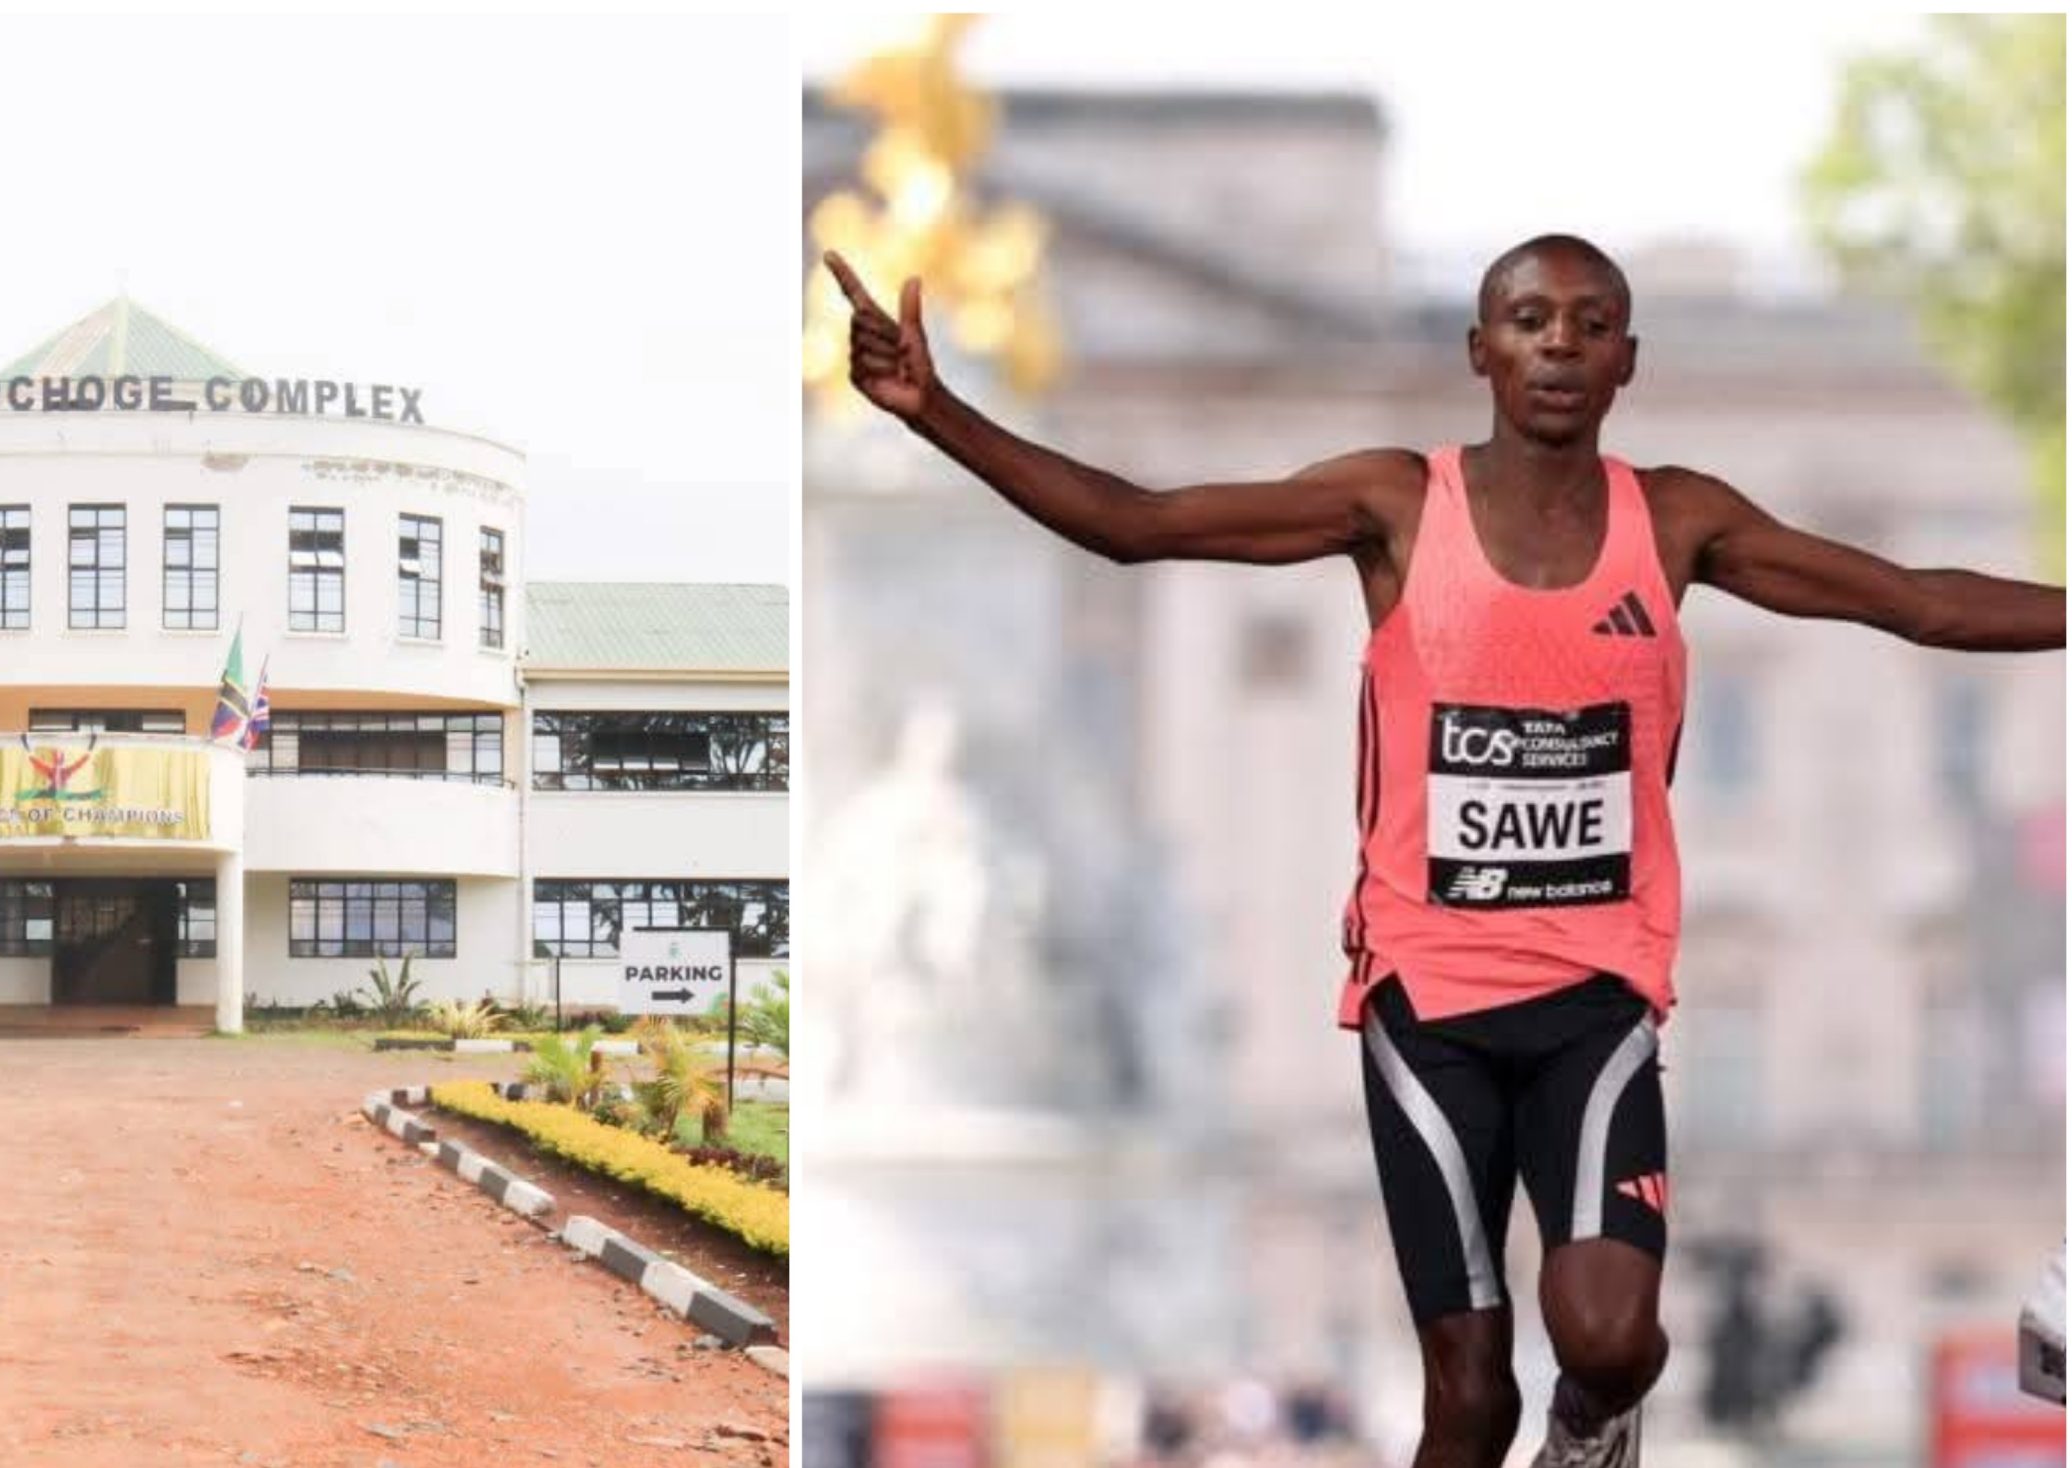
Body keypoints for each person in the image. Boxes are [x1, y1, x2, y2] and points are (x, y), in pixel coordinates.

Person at [825, 235, 2065, 1468]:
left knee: (1609, 1335)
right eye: (1531, 320)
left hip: (1596, 998)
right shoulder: (1395, 505)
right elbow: (1141, 524)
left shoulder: (1675, 520)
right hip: (1427, 1005)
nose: (1560, 346)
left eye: (1591, 323)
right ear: (1481, 350)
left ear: (1628, 359)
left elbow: (1910, 597)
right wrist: (938, 414)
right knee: (1467, 1400)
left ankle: (1593, 1435)